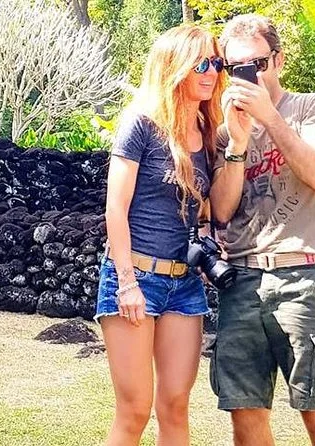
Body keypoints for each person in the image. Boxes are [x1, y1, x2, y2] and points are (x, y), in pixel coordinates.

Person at [209, 14, 315, 446]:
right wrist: (237, 144)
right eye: (236, 67)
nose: (248, 75)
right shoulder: (225, 131)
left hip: (303, 274)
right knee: (244, 414)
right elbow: (221, 211)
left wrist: (270, 118)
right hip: (241, 278)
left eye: (257, 64)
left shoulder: (311, 108)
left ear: (278, 60)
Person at [96, 24, 224, 445]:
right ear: (175, 67)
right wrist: (127, 284)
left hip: (184, 285)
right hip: (135, 277)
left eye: (216, 63)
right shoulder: (140, 124)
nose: (211, 72)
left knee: (175, 406)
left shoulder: (207, 132)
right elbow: (115, 208)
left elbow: (207, 209)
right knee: (134, 410)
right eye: (200, 64)